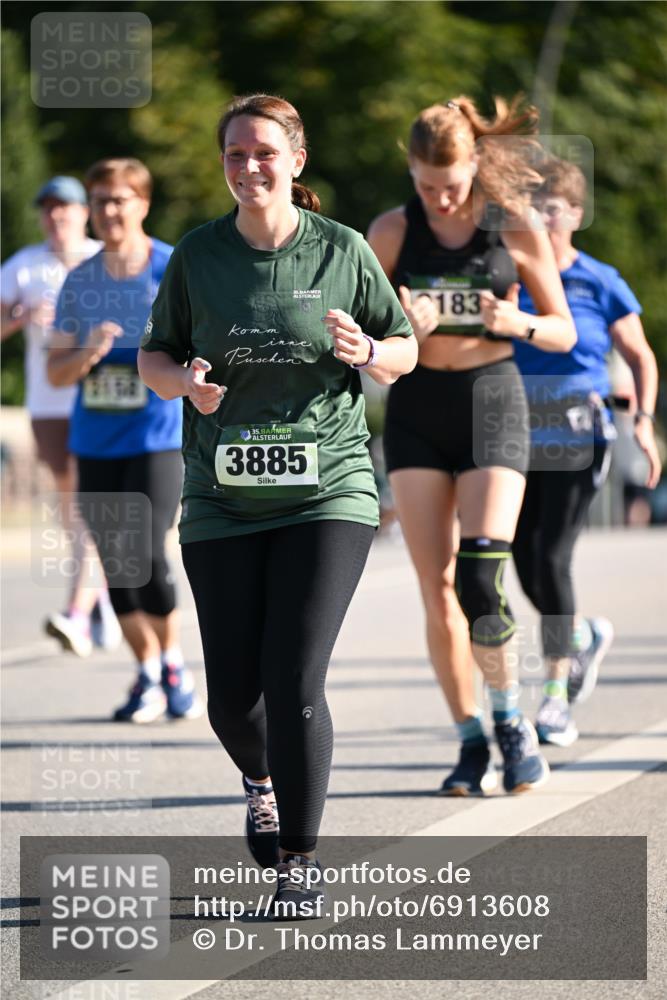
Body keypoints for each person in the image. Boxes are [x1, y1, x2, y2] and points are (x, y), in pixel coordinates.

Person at [138, 94, 417, 914]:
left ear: (295, 161)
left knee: (294, 676)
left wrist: (368, 350)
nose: (249, 167)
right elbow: (154, 353)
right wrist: (182, 383)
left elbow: (401, 346)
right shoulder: (197, 255)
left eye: (264, 152)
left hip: (327, 488)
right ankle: (258, 781)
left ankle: (299, 858)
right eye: (234, 154)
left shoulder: (344, 250)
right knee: (232, 696)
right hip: (222, 496)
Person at [368, 96, 576, 797]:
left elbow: (563, 331)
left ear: (475, 165)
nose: (442, 198)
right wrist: (401, 321)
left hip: (492, 399)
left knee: (481, 578)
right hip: (418, 408)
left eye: (452, 183)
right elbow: (364, 341)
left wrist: (515, 319)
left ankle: (510, 722)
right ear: (411, 171)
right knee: (436, 591)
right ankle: (466, 740)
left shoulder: (512, 226)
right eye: (427, 185)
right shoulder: (392, 230)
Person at [511, 157, 662, 746]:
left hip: (579, 434)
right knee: (519, 558)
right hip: (513, 434)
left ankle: (554, 697)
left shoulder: (599, 279)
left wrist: (643, 423)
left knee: (550, 557)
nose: (543, 221)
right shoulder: (511, 274)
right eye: (534, 209)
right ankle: (578, 637)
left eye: (553, 209)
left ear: (575, 214)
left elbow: (642, 356)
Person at [46, 158, 202, 723]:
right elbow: (56, 373)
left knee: (144, 553)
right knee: (116, 564)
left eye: (121, 199)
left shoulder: (169, 268)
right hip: (95, 441)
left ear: (142, 203)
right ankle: (148, 672)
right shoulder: (81, 281)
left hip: (157, 437)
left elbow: (199, 346)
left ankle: (174, 664)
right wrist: (87, 353)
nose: (110, 211)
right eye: (101, 200)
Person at [1, 176, 120, 656]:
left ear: (83, 213)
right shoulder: (25, 266)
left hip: (102, 399)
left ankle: (76, 610)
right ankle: (103, 598)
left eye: (66, 209)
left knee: (90, 507)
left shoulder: (104, 258)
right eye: (48, 209)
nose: (57, 217)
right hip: (49, 404)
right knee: (75, 510)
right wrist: (20, 318)